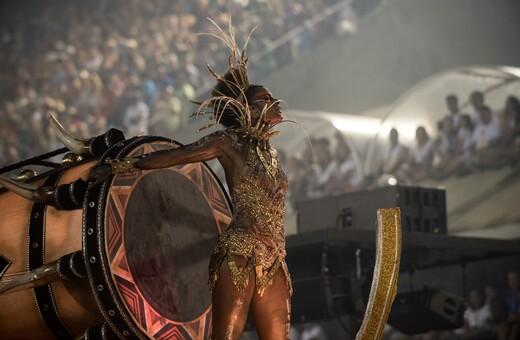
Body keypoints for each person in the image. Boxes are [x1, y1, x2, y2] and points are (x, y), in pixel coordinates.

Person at [91, 21, 292, 339]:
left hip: (274, 259)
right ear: (245, 109)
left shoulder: (271, 152)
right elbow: (176, 157)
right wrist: (124, 165)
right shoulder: (229, 142)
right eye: (264, 98)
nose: (273, 101)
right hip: (238, 254)